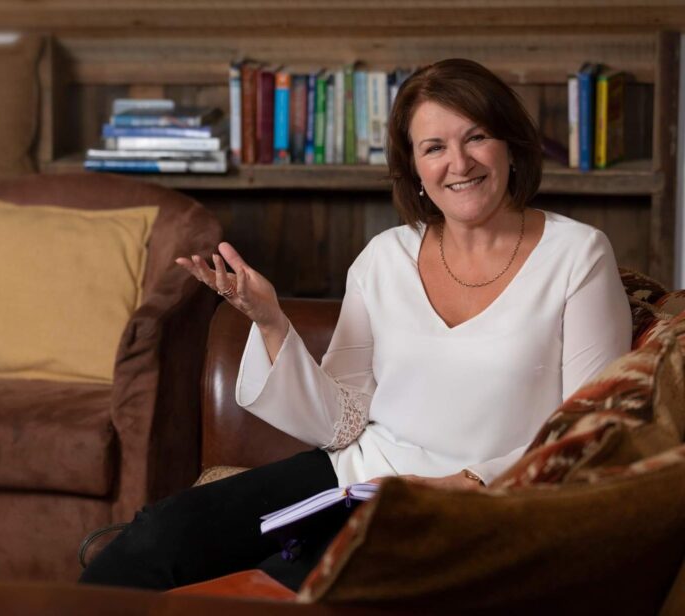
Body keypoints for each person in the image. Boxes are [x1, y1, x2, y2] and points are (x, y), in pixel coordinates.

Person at [79, 58, 632, 592]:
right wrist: (272, 322)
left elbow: (592, 428)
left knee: (286, 582)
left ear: (511, 144)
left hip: (481, 499)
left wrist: (471, 481)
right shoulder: (383, 257)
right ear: (414, 168)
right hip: (353, 478)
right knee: (151, 542)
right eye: (434, 147)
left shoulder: (577, 255)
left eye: (477, 137)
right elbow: (341, 425)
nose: (459, 163)